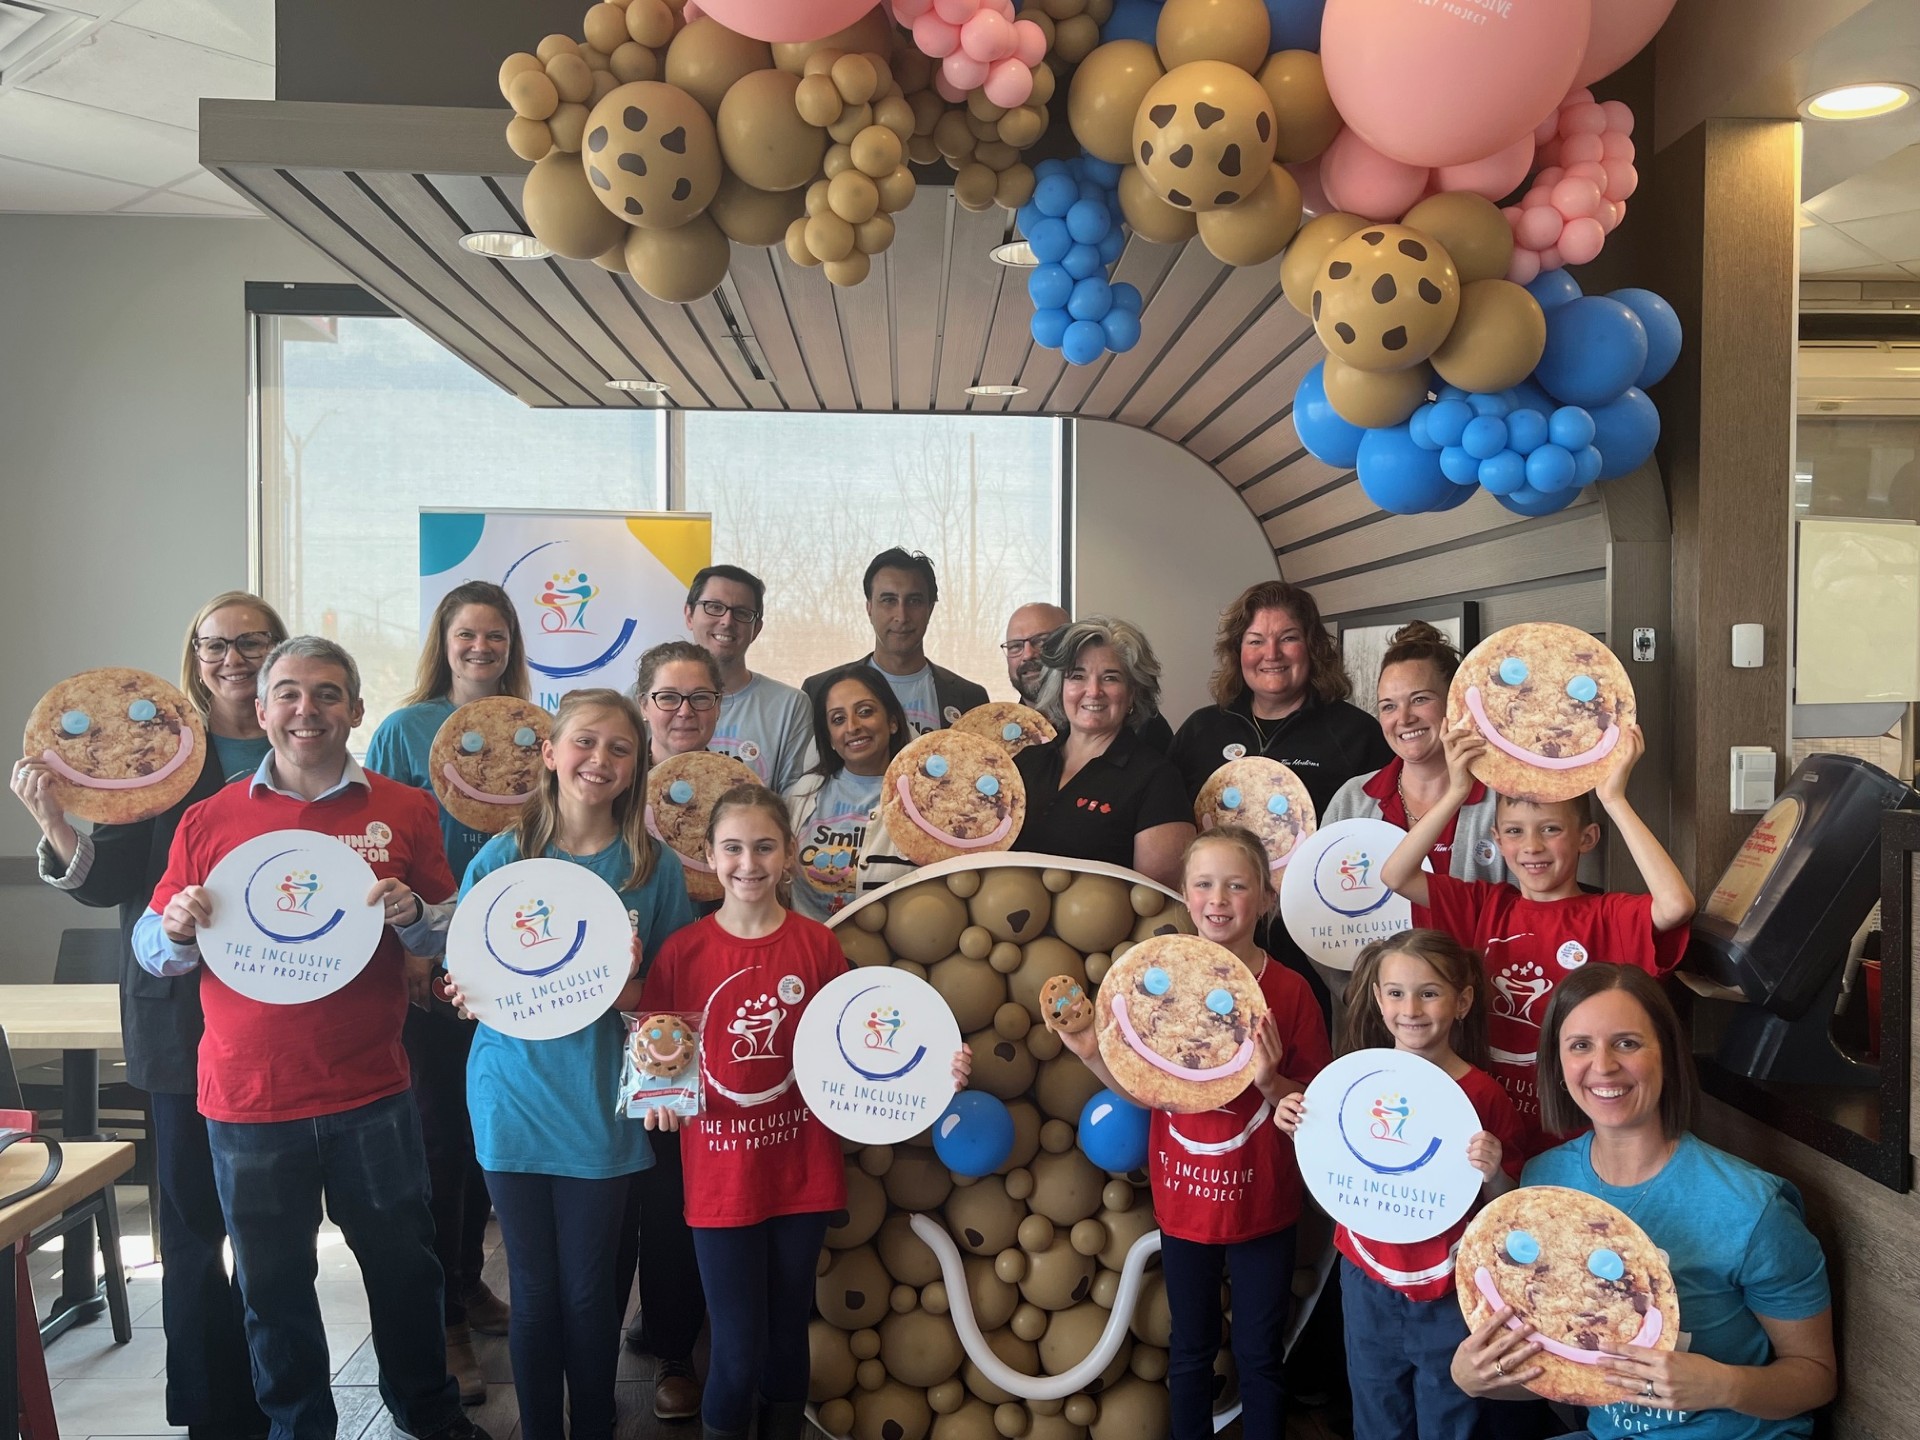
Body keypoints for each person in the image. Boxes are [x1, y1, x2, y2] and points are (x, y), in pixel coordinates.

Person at [132, 636, 485, 1440]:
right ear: (261, 711)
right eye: (288, 694)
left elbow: (448, 932)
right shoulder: (208, 818)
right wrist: (179, 928)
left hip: (372, 1091)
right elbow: (154, 948)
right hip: (248, 1098)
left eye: (327, 694)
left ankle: (428, 1416)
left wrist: (418, 917)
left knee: (404, 1270)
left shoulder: (404, 809)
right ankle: (298, 1428)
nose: (307, 710)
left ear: (356, 710)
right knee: (273, 1286)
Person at [12, 589, 286, 1440]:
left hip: (290, 1013)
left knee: (276, 1225)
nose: (233, 658)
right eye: (216, 644)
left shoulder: (302, 741)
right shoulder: (157, 751)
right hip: (180, 1018)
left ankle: (287, 1399)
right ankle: (213, 1414)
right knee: (193, 1223)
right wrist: (51, 818)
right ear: (193, 656)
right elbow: (105, 882)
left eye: (252, 642)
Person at [637, 784, 970, 1440]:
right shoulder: (682, 953)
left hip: (802, 1176)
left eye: (765, 847)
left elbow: (860, 1049)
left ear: (790, 854)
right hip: (720, 1184)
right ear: (708, 855)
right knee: (735, 1343)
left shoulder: (817, 948)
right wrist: (658, 1100)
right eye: (732, 848)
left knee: (789, 1331)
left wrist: (940, 1073)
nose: (748, 863)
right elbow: (656, 1065)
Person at [445, 689, 695, 1440]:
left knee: (589, 1293)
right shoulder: (503, 857)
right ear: (550, 753)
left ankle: (593, 1423)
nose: (600, 760)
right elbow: (468, 973)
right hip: (511, 1094)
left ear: (637, 766)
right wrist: (462, 991)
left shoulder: (653, 868)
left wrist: (629, 990)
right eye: (585, 742)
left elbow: (672, 1000)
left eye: (620, 749)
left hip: (600, 1102)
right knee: (534, 1286)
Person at [1452, 965, 1837, 1440]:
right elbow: (1562, 1370)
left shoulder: (1750, 1207)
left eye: (1627, 1043)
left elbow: (1815, 1376)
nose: (1604, 1065)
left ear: (1668, 1055)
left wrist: (1723, 1384)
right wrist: (1476, 1379)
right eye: (1580, 1046)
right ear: (1557, 1063)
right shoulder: (1543, 1186)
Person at [1056, 827, 1328, 1440]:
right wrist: (1088, 1052)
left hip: (1265, 1206)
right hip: (1184, 1205)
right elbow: (1143, 1094)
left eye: (1237, 885)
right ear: (1182, 894)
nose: (1219, 898)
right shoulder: (1156, 984)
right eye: (1204, 884)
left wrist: (1271, 1081)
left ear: (1264, 898)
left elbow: (1313, 1108)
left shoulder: (1290, 991)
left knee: (1261, 1355)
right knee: (1190, 1350)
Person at [1381, 723, 1695, 1146]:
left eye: (1550, 829)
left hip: (1578, 1130)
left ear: (1587, 838)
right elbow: (1395, 874)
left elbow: (1676, 905)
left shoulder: (1608, 915)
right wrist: (1456, 792)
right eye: (1514, 831)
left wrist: (1614, 799)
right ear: (1496, 840)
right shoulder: (1486, 906)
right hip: (1487, 1127)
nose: (1531, 846)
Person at [366, 580, 527, 1395]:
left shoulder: (537, 731)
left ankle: (468, 1279)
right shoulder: (403, 728)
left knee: (479, 1130)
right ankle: (442, 1315)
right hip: (429, 958)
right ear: (445, 640)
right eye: (467, 635)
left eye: (495, 636)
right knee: (433, 1134)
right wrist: (414, 955)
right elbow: (377, 842)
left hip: (512, 960)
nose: (480, 649)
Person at [1273, 930, 1525, 1440]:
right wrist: (1292, 1112)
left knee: (1449, 1415)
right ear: (1377, 998)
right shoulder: (1348, 1083)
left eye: (1429, 992)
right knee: (1375, 1409)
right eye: (1395, 992)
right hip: (1366, 1277)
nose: (1410, 1008)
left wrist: (1495, 1169)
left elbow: (1510, 1208)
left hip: (1451, 1287)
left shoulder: (1484, 1095)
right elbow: (1328, 1167)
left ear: (1463, 1001)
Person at [624, 638, 724, 1414]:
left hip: (718, 997)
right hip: (634, 1008)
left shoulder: (738, 793)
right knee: (644, 1177)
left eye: (698, 698)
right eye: (668, 697)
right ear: (644, 703)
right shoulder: (612, 793)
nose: (684, 712)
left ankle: (689, 1343)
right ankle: (663, 1337)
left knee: (694, 1175)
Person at [1167, 580, 1392, 815]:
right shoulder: (1200, 730)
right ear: (1238, 652)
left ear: (1312, 647)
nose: (1272, 654)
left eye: (1288, 638)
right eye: (1256, 641)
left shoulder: (1358, 734)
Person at [1011, 617, 1194, 889]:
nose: (1093, 691)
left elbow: (1157, 902)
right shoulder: (1025, 763)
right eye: (1077, 676)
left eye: (1110, 677)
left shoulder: (1157, 779)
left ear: (1133, 692)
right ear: (1059, 686)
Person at [1323, 621, 1506, 889]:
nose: (1404, 718)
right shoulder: (1353, 799)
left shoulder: (1500, 801)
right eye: (1388, 706)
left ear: (1457, 703)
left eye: (1420, 699)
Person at [802, 548, 988, 735]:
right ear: (869, 608)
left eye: (914, 601)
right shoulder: (818, 691)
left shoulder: (971, 699)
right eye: (889, 600)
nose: (901, 615)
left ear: (930, 609)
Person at [784, 662, 909, 922]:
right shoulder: (801, 797)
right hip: (813, 953)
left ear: (893, 722)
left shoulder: (924, 799)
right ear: (829, 737)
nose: (852, 726)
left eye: (865, 712)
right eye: (838, 719)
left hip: (894, 958)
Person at [683, 565, 816, 792]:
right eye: (714, 607)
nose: (727, 621)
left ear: (756, 629)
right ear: (689, 615)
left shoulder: (789, 706)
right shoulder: (648, 696)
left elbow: (793, 806)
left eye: (742, 613)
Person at [1003, 601, 1172, 751]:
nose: (1027, 654)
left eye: (1041, 641)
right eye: (1015, 646)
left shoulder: (1146, 728)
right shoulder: (997, 730)